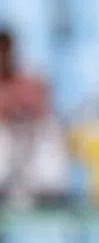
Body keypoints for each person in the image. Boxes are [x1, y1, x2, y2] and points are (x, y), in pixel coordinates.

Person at [0, 29, 68, 207]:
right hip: (7, 152)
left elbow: (42, 115)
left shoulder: (29, 82)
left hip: (27, 147)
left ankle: (44, 196)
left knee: (49, 133)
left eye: (5, 51)